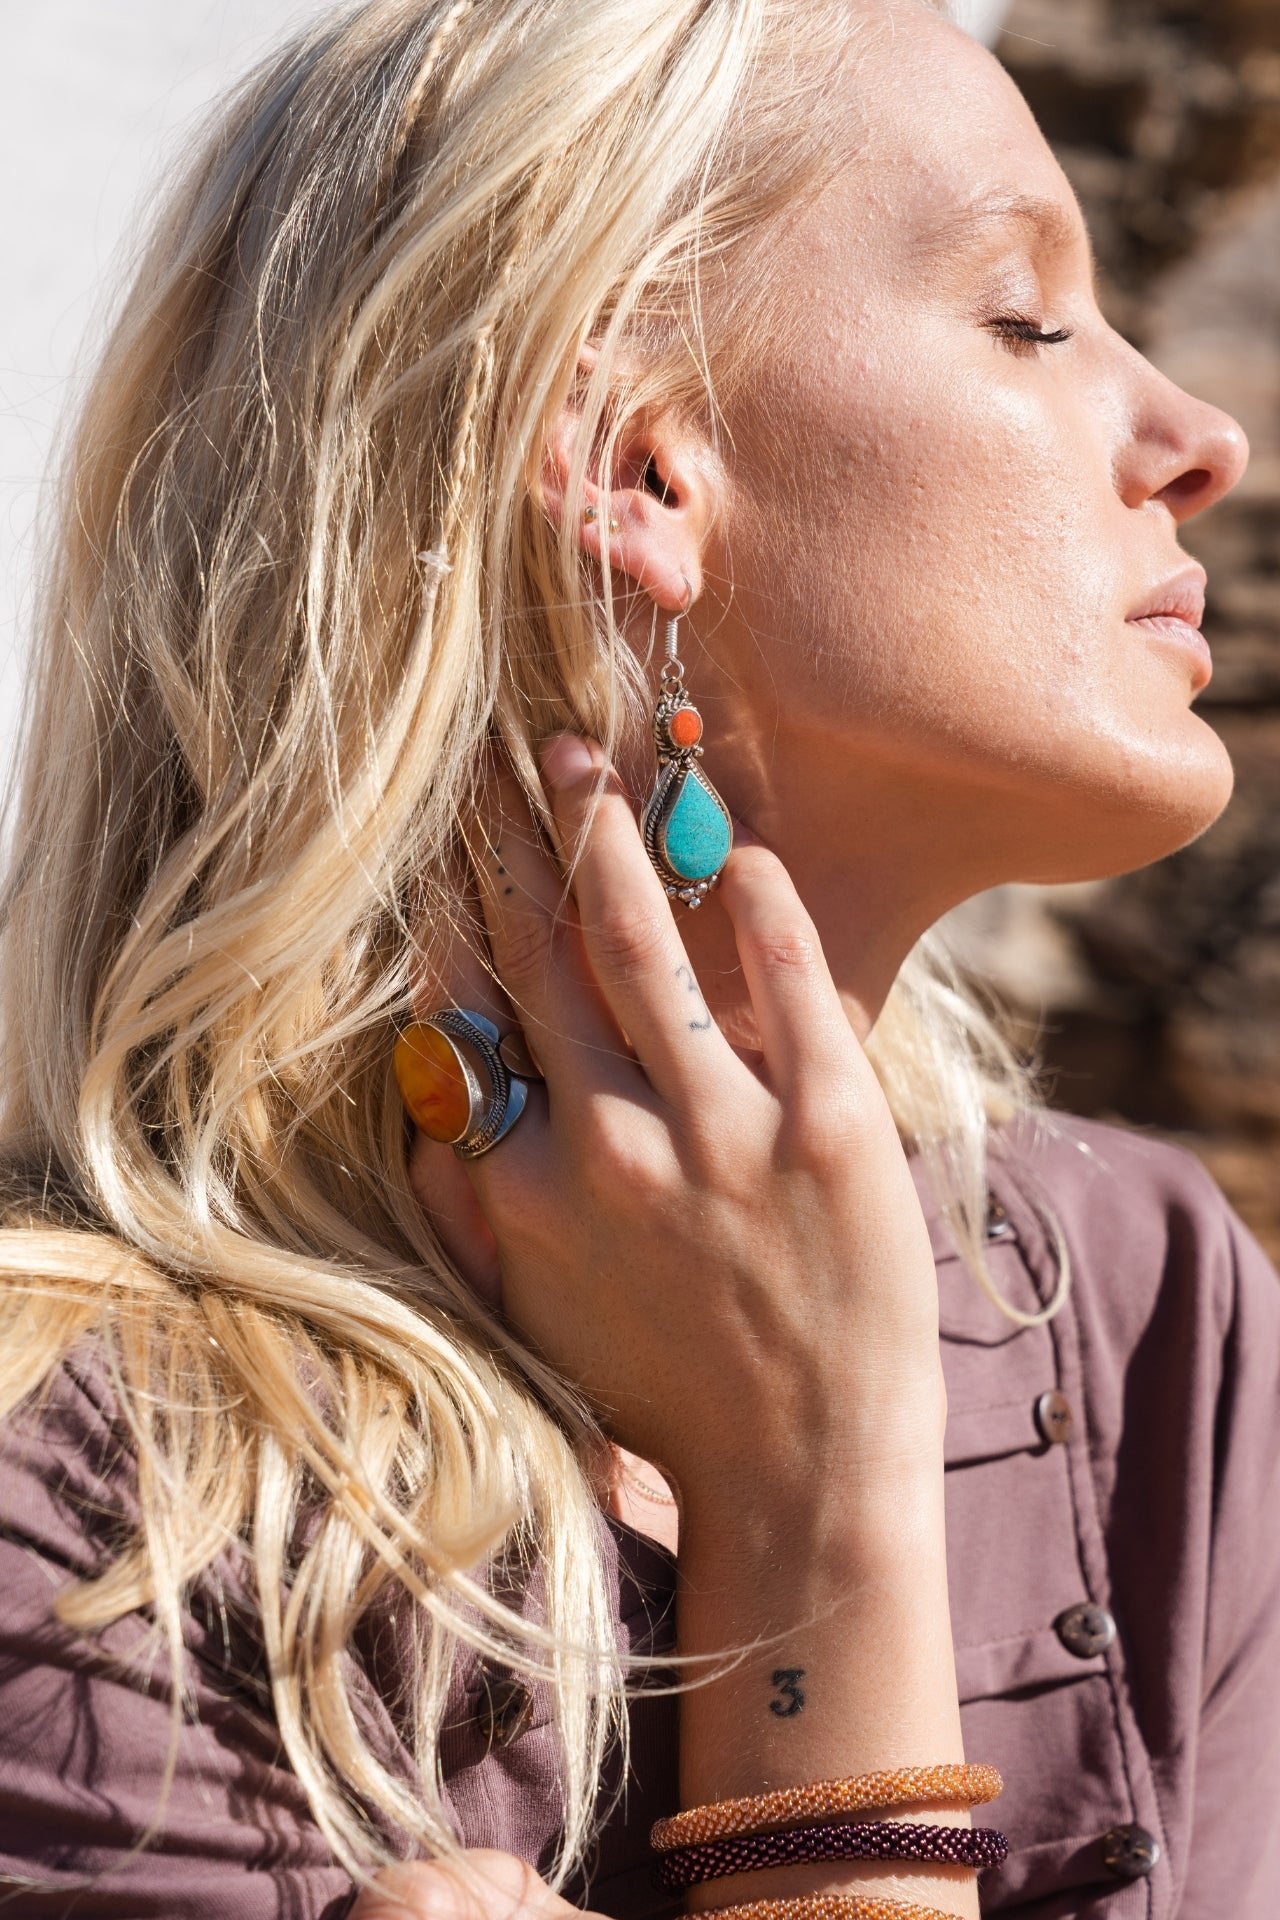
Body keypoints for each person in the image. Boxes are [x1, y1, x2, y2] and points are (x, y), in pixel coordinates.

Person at [0, 1, 1276, 1917]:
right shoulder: (89, 1481)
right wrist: (818, 1493)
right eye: (1029, 317)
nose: (1201, 441)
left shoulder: (1140, 1307)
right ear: (637, 474)